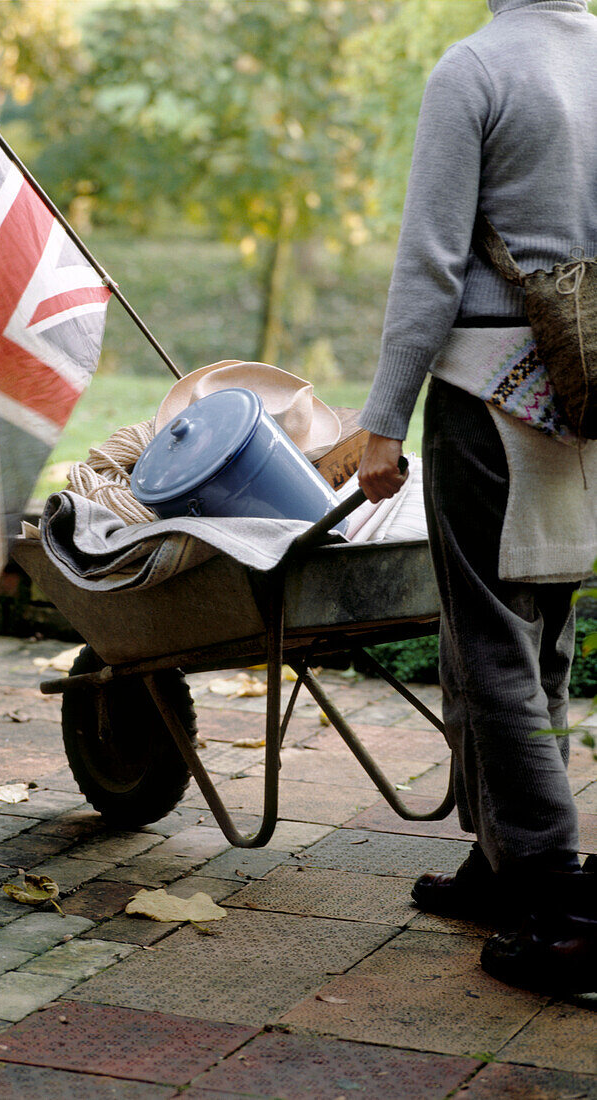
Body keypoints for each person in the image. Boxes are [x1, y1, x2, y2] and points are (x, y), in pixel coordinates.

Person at [357, 0, 597, 993]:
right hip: (580, 380)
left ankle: (555, 899)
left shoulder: (475, 68)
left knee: (490, 646)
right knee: (536, 635)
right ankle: (500, 860)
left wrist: (381, 418)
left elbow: (430, 262)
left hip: (485, 391)